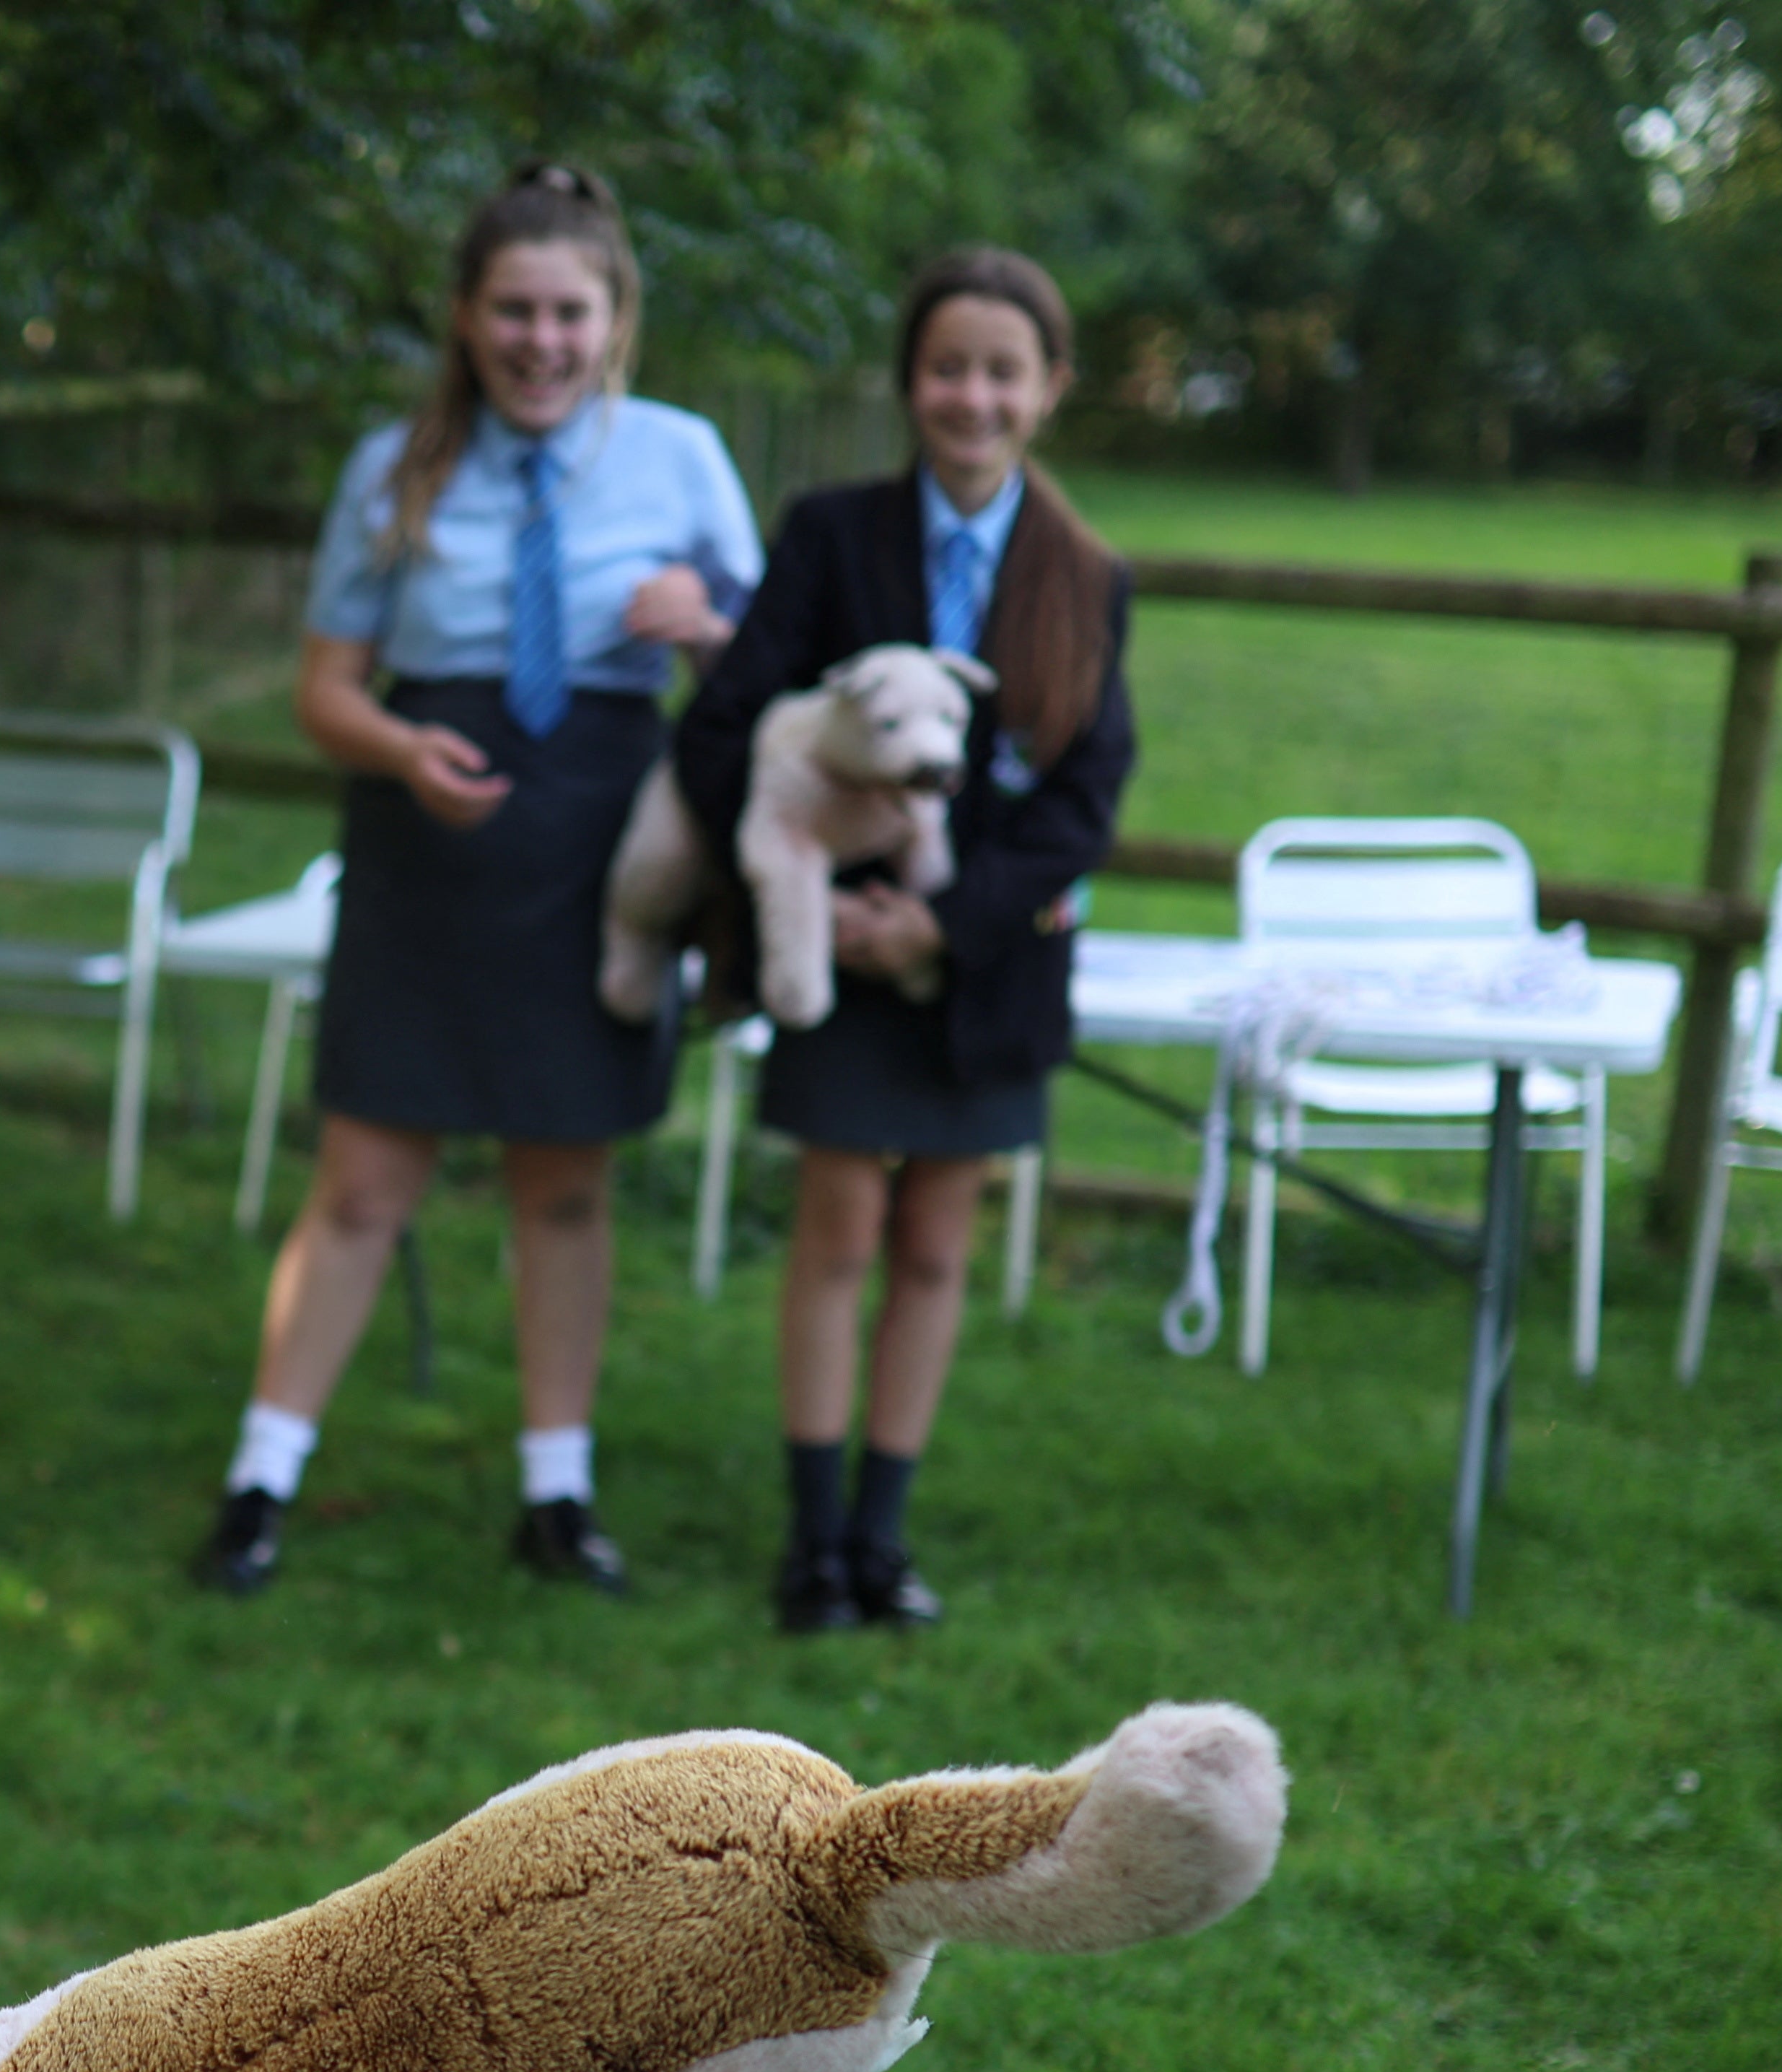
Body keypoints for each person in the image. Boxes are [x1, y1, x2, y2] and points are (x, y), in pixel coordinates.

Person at [191, 161, 762, 1598]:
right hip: (424, 842)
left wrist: (705, 625)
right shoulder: (392, 469)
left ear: (615, 315)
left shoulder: (685, 457)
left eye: (571, 312)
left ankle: (556, 1495)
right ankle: (261, 1480)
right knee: (366, 1177)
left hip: (605, 848)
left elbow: (767, 683)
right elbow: (325, 690)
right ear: (466, 314)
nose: (542, 341)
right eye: (514, 311)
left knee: (564, 1181)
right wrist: (399, 744)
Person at [671, 245, 1135, 1633]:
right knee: (838, 1222)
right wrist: (816, 895)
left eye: (1004, 372)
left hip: (983, 957)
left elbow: (1079, 804)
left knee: (936, 1239)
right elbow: (727, 728)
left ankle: (884, 1539)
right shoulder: (828, 536)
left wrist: (933, 920)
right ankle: (811, 1546)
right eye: (948, 369)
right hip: (829, 937)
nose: (973, 398)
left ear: (1050, 389)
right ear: (908, 382)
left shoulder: (1086, 578)